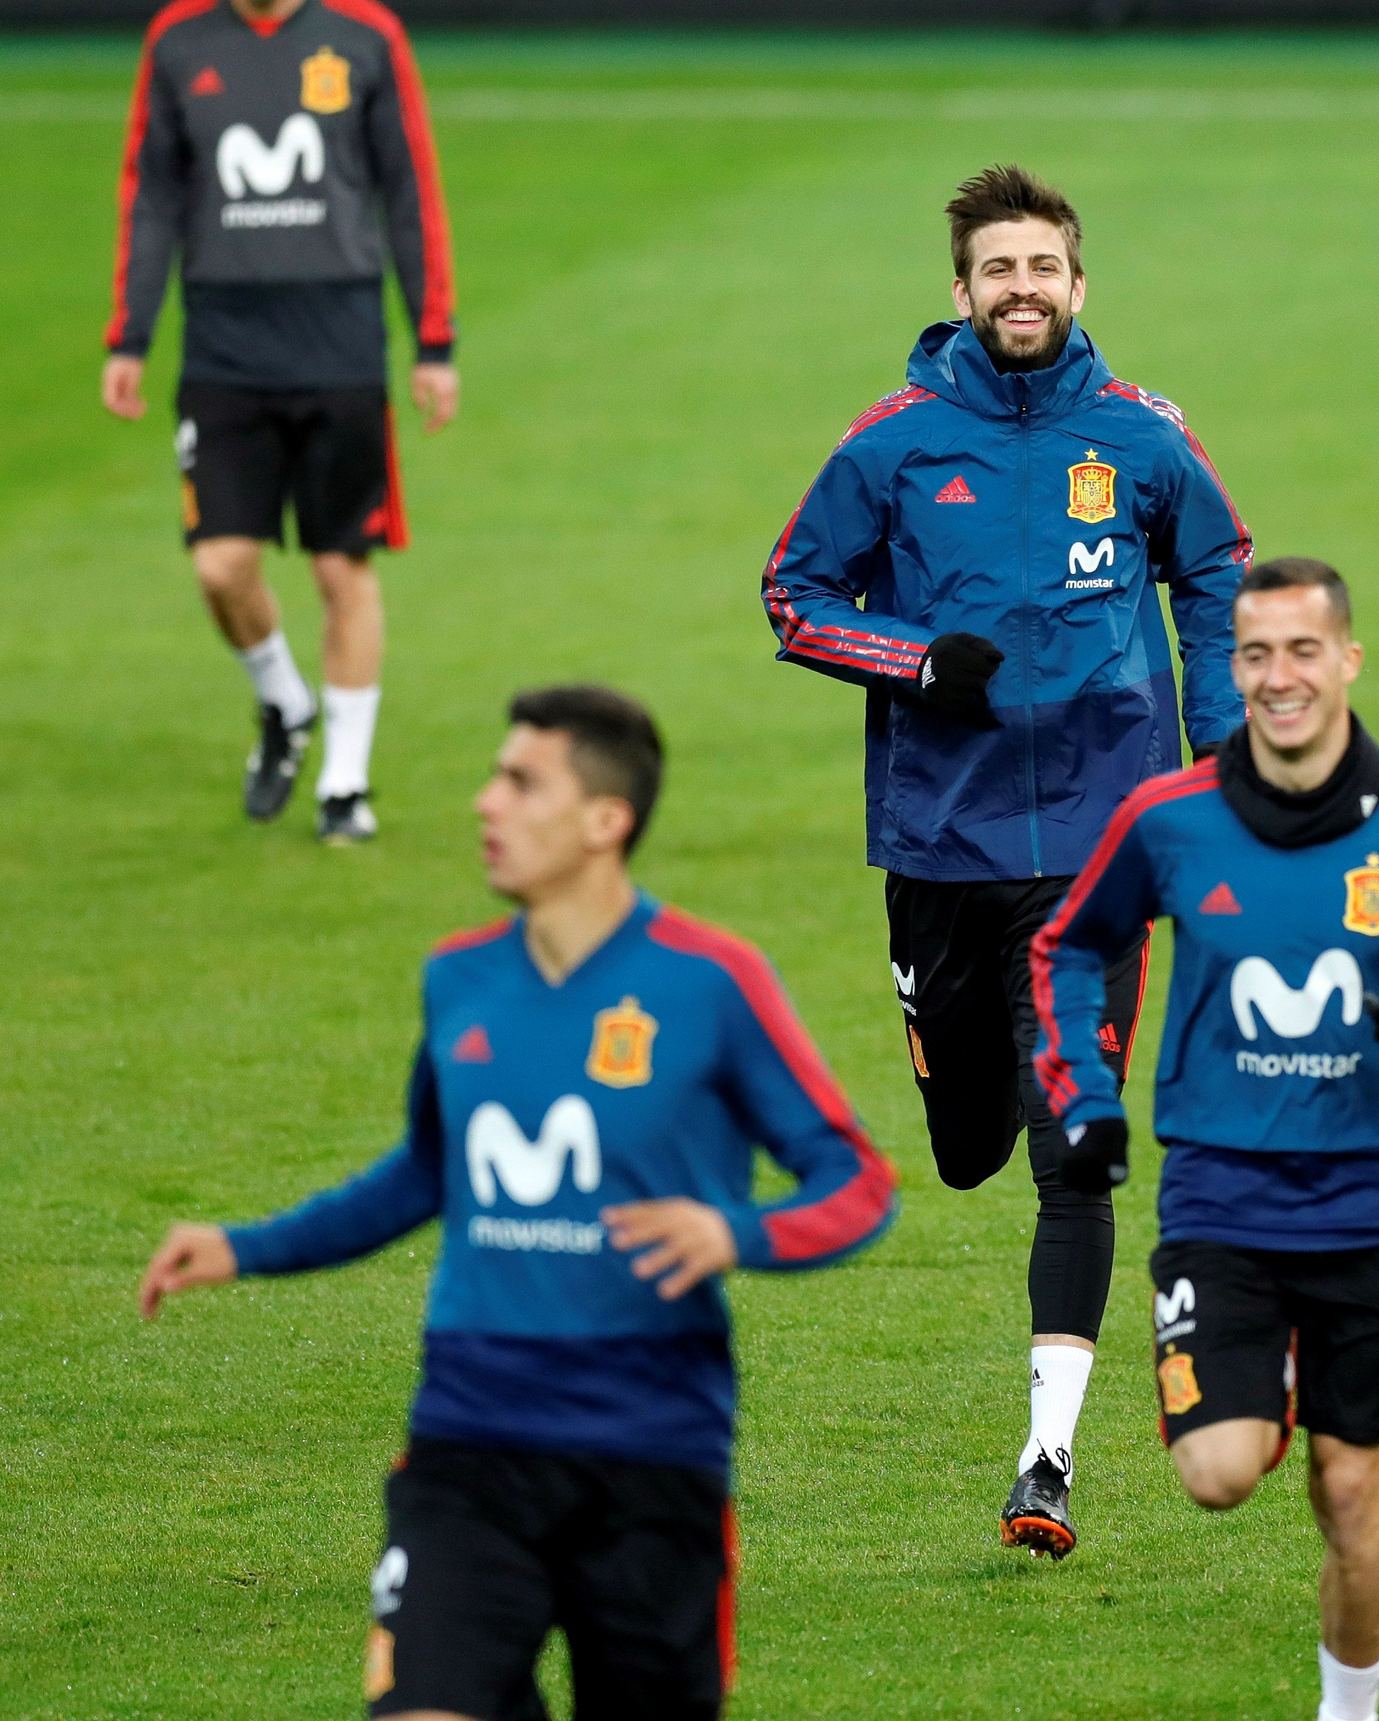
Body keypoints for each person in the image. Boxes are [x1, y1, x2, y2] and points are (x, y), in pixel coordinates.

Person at [139, 685, 897, 1721]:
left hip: (649, 1455)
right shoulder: (458, 979)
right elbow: (423, 1172)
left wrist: (737, 1230)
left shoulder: (711, 982)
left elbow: (857, 1179)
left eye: (519, 781)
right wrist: (245, 1247)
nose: (482, 803)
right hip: (469, 1437)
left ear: (604, 822)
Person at [761, 164, 1251, 1557]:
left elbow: (1216, 573)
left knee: (1075, 1155)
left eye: (1044, 268)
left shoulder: (1145, 438)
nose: (1021, 290)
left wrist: (1209, 761)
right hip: (942, 844)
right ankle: (953, 1083)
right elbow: (793, 594)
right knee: (972, 1148)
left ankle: (1046, 1462)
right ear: (964, 294)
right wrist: (913, 656)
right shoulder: (895, 443)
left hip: (1106, 843)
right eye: (997, 272)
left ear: (1079, 285)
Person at [1031, 558, 1379, 1721]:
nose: (1281, 679)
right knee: (1219, 1472)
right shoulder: (1167, 821)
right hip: (1222, 1195)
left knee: (1350, 1490)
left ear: (1349, 661)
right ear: (1233, 668)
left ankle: (1348, 1712)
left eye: (1304, 652)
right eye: (1257, 654)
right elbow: (1067, 949)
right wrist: (1088, 1095)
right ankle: (1262, 1372)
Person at [103, 0, 459, 843]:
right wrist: (129, 332)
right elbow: (151, 196)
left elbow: (410, 193)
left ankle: (343, 785)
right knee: (221, 566)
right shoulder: (177, 41)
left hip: (340, 343)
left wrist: (432, 344)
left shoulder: (365, 37)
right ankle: (283, 700)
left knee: (344, 569)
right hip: (222, 348)